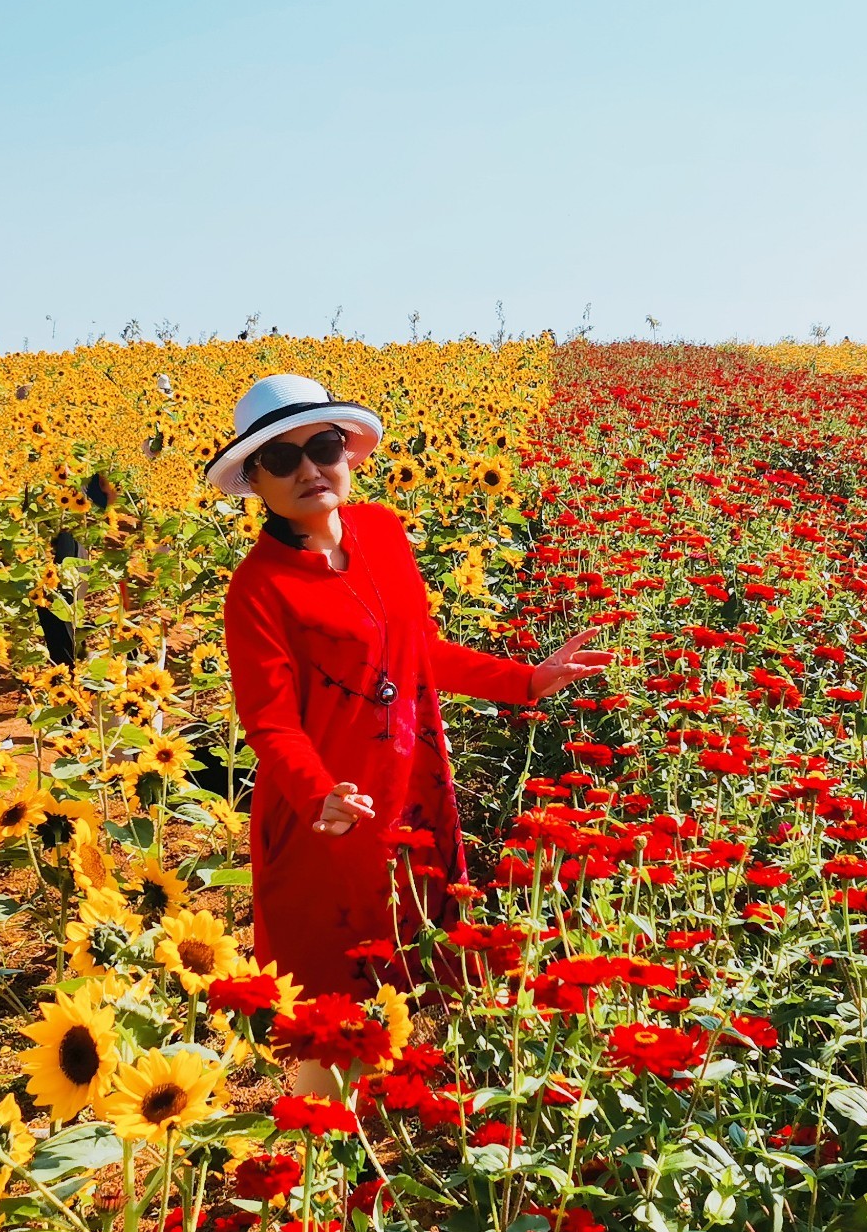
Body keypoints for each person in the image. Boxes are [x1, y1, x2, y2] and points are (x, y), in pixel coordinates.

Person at [212, 374, 608, 1006]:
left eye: (325, 447)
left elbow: (418, 653)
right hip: (331, 811)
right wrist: (319, 795)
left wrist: (526, 680)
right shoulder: (258, 587)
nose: (309, 469)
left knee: (424, 962)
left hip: (411, 786)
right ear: (254, 481)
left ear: (346, 455)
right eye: (282, 459)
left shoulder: (384, 534)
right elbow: (269, 722)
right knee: (332, 996)